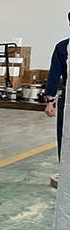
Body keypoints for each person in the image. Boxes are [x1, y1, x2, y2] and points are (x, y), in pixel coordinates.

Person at [44, 12, 69, 161]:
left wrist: (50, 101)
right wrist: (50, 101)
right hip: (67, 99)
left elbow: (54, 74)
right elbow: (54, 74)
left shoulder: (63, 47)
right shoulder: (63, 48)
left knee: (66, 135)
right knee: (65, 135)